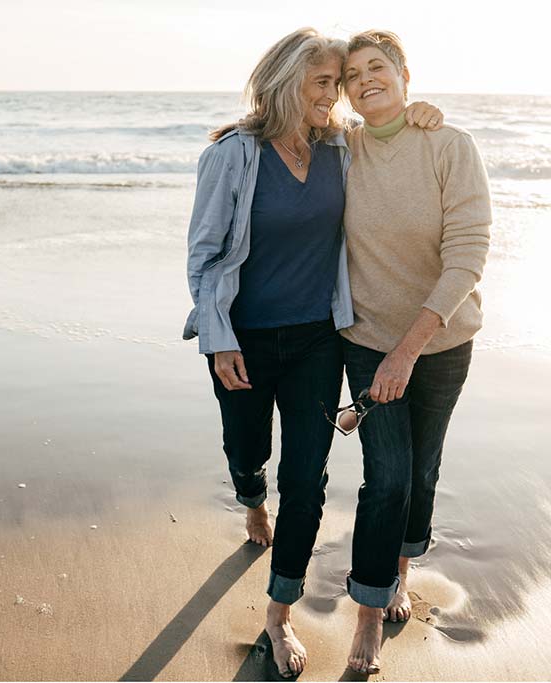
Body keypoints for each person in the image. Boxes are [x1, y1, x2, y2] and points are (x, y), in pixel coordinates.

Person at [183, 27, 443, 678]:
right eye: (322, 83)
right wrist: (217, 338)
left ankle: (279, 612)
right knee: (247, 451)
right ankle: (251, 499)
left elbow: (390, 138)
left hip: (318, 340)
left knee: (306, 481)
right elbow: (205, 255)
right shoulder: (233, 155)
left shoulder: (339, 147)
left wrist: (417, 111)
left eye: (337, 83)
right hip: (241, 338)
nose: (335, 96)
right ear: (285, 82)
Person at [337, 30, 492, 674]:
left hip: (442, 342)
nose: (365, 80)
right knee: (389, 477)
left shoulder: (449, 145)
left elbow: (468, 253)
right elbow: (287, 125)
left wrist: (410, 349)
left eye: (377, 67)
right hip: (367, 340)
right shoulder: (341, 149)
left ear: (404, 74)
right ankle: (369, 612)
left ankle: (400, 571)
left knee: (422, 471)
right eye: (352, 75)